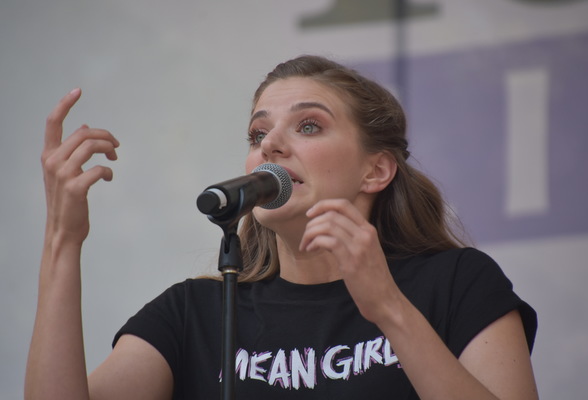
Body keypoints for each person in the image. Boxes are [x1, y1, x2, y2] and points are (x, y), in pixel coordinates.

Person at [25, 55, 538, 399]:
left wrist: (388, 308)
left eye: (308, 125)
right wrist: (62, 243)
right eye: (258, 132)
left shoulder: (456, 283)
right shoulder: (195, 314)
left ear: (376, 170)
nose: (269, 145)